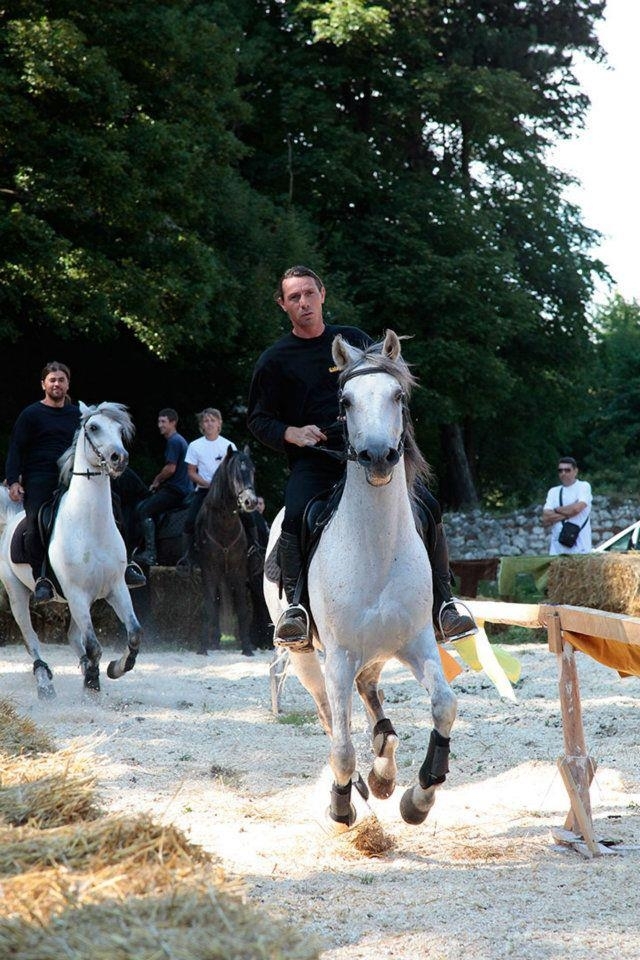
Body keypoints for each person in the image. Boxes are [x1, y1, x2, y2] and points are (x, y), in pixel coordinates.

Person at [247, 265, 477, 649]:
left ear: (322, 294)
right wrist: (291, 433)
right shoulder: (274, 359)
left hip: (371, 455)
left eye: (309, 293)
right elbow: (257, 419)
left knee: (430, 506)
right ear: (282, 305)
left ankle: (444, 606)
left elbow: (384, 387)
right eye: (294, 297)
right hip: (317, 458)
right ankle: (297, 611)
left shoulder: (352, 340)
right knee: (296, 508)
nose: (303, 302)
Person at [5, 362, 145, 603]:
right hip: (41, 474)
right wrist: (14, 480)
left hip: (75, 472)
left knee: (117, 502)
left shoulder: (78, 415)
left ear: (68, 383)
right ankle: (42, 579)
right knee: (37, 517)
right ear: (43, 384)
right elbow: (16, 447)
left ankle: (127, 563)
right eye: (52, 380)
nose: (57, 384)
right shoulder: (31, 414)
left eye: (61, 379)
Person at [177, 408, 236, 570]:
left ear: (219, 423)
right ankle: (187, 557)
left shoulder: (229, 445)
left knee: (249, 517)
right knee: (190, 521)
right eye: (206, 421)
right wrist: (209, 484)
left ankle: (255, 550)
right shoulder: (195, 446)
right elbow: (191, 472)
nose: (209, 423)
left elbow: (234, 471)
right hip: (204, 490)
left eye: (212, 420)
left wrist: (223, 486)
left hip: (226, 492)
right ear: (202, 425)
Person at [135, 408, 193, 566]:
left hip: (175, 490)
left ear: (173, 423)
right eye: (158, 421)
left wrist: (156, 481)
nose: (160, 425)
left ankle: (150, 554)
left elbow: (170, 469)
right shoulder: (180, 440)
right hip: (184, 489)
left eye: (163, 422)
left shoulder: (174, 441)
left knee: (144, 510)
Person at [542, 456, 592, 555]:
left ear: (575, 471)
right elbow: (546, 518)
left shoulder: (583, 486)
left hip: (580, 548)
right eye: (560, 471)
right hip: (557, 549)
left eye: (567, 470)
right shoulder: (553, 491)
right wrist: (569, 511)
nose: (563, 473)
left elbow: (577, 508)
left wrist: (556, 510)